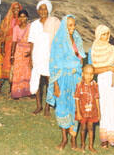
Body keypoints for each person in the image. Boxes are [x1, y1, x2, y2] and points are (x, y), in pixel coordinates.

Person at [46, 15, 85, 150]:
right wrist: (56, 85)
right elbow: (54, 65)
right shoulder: (58, 42)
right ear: (64, 26)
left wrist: (80, 75)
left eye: (74, 25)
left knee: (75, 108)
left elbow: (80, 59)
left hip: (75, 79)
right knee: (62, 108)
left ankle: (73, 139)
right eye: (69, 25)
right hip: (62, 79)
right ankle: (64, 139)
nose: (72, 28)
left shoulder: (77, 38)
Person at [90, 25, 114, 149]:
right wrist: (108, 68)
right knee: (105, 107)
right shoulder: (94, 50)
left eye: (107, 34)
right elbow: (93, 70)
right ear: (98, 35)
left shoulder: (112, 48)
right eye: (103, 34)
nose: (105, 37)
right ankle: (105, 139)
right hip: (103, 79)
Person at [28, 0, 60, 116]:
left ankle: (47, 106)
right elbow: (31, 42)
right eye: (40, 9)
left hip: (50, 56)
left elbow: (58, 40)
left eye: (45, 8)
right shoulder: (34, 24)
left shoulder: (54, 22)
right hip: (37, 55)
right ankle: (38, 106)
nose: (43, 11)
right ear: (37, 11)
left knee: (49, 81)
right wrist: (30, 58)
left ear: (49, 10)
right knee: (36, 80)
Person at [0, 2, 22, 93]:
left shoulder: (22, 19)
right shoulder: (7, 20)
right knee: (6, 65)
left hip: (18, 46)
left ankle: (12, 88)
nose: (16, 10)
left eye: (18, 8)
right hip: (7, 46)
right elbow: (2, 34)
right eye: (14, 8)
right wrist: (2, 47)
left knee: (14, 66)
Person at [75, 64, 100, 152]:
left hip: (92, 112)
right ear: (82, 74)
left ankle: (90, 146)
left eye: (91, 74)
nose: (89, 76)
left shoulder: (95, 85)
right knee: (83, 128)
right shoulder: (79, 85)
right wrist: (78, 112)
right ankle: (82, 144)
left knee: (91, 128)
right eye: (87, 73)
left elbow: (97, 99)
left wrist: (99, 112)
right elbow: (77, 99)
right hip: (82, 112)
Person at [10, 10, 32, 99]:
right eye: (20, 17)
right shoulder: (16, 28)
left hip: (29, 51)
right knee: (18, 71)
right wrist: (12, 55)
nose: (22, 19)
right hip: (19, 51)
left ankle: (29, 91)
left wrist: (31, 52)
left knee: (28, 71)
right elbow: (14, 42)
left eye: (24, 16)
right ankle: (16, 92)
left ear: (27, 17)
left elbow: (33, 40)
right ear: (18, 18)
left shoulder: (31, 27)